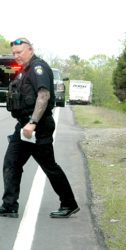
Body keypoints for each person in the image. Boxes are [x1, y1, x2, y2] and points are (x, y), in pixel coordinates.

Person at [0, 38, 79, 218]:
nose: (16, 56)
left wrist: (33, 122)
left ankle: (69, 203)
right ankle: (9, 205)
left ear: (30, 50)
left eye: (19, 52)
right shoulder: (23, 71)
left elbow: (43, 94)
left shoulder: (38, 68)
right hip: (23, 126)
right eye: (14, 53)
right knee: (11, 162)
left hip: (38, 126)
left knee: (49, 165)